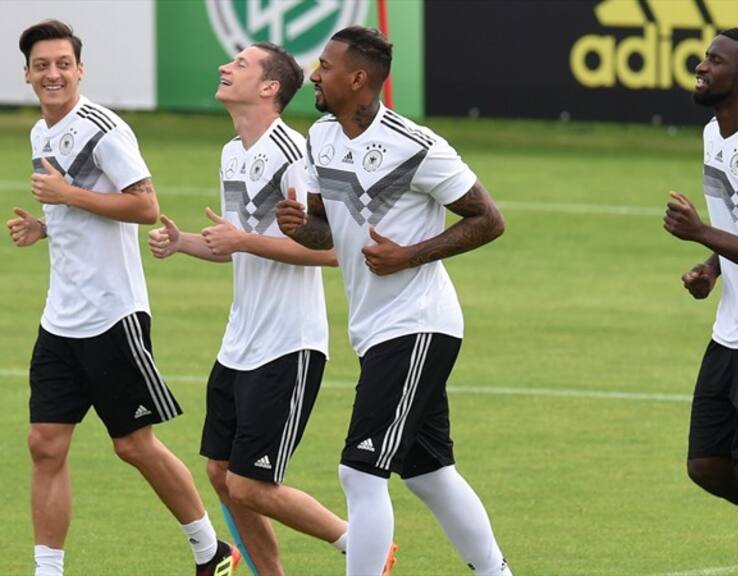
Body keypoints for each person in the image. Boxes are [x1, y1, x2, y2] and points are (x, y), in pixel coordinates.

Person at [148, 42, 391, 576]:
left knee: (249, 483)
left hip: (288, 342)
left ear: (269, 88)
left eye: (239, 64)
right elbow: (239, 242)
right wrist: (184, 242)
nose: (223, 67)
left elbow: (330, 249)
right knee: (219, 472)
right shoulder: (232, 152)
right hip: (240, 342)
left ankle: (361, 545)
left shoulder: (296, 154)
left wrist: (240, 243)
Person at [277, 25, 512, 576]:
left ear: (358, 79)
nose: (315, 74)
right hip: (375, 327)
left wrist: (410, 255)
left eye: (326, 66)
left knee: (359, 473)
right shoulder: (321, 138)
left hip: (417, 323)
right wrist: (298, 226)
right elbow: (325, 231)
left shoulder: (417, 145)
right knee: (429, 473)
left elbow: (489, 219)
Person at [7, 20, 237, 576]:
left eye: (63, 63)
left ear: (80, 69)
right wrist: (46, 223)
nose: (53, 74)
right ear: (28, 75)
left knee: (133, 445)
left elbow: (144, 207)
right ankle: (48, 570)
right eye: (42, 66)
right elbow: (78, 211)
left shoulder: (105, 129)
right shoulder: (42, 133)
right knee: (44, 443)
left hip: (113, 315)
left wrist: (67, 194)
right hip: (60, 318)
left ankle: (212, 551)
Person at [664, 28, 738, 541]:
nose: (702, 66)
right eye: (705, 57)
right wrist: (711, 264)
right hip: (730, 332)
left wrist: (702, 232)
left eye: (715, 61)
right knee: (706, 464)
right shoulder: (713, 135)